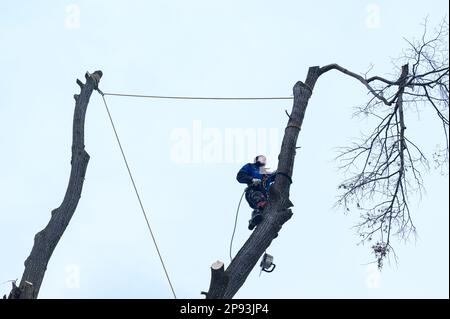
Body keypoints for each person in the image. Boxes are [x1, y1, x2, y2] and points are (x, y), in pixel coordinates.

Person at [236, 155, 276, 230]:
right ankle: (257, 213)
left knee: (267, 208)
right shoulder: (250, 166)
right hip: (253, 191)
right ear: (256, 160)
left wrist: (280, 171)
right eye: (261, 158)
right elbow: (240, 176)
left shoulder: (264, 172)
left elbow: (274, 176)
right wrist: (251, 179)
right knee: (259, 197)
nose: (263, 160)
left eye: (264, 159)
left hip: (265, 196)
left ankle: (261, 222)